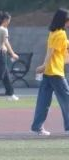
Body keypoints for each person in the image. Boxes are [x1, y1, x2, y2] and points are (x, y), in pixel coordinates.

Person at [30, 8, 69, 136]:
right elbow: (51, 53)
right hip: (56, 72)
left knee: (43, 101)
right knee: (66, 99)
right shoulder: (61, 34)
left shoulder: (53, 33)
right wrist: (43, 65)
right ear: (64, 20)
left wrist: (44, 67)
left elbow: (57, 54)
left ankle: (37, 127)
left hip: (49, 72)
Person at [0, 12, 20, 100]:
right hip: (1, 55)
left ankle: (10, 93)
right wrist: (12, 53)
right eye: (9, 20)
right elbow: (6, 42)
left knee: (5, 75)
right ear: (6, 20)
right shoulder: (4, 30)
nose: (9, 22)